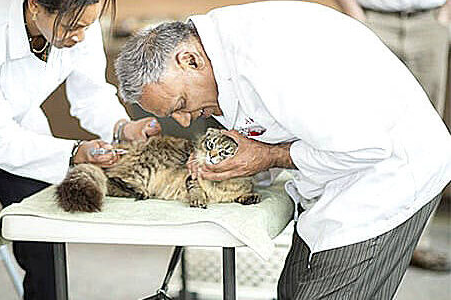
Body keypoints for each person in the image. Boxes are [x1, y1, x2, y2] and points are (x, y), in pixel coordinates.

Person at [114, 1, 451, 299]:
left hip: (390, 177)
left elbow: (366, 146)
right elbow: (276, 125)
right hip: (335, 177)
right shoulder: (215, 51)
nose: (185, 121)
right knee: (291, 291)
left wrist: (269, 156)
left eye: (181, 104)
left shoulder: (266, 59)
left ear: (189, 59)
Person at [0, 0, 161, 298]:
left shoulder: (80, 21)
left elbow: (91, 93)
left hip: (21, 127)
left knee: (44, 243)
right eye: (72, 27)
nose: (81, 36)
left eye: (87, 25)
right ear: (35, 5)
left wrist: (122, 127)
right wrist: (74, 152)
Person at [335, 0, 451, 273]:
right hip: (373, 21)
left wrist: (446, 15)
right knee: (364, 132)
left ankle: (416, 242)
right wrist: (355, 14)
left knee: (428, 139)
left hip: (429, 22)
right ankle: (362, 238)